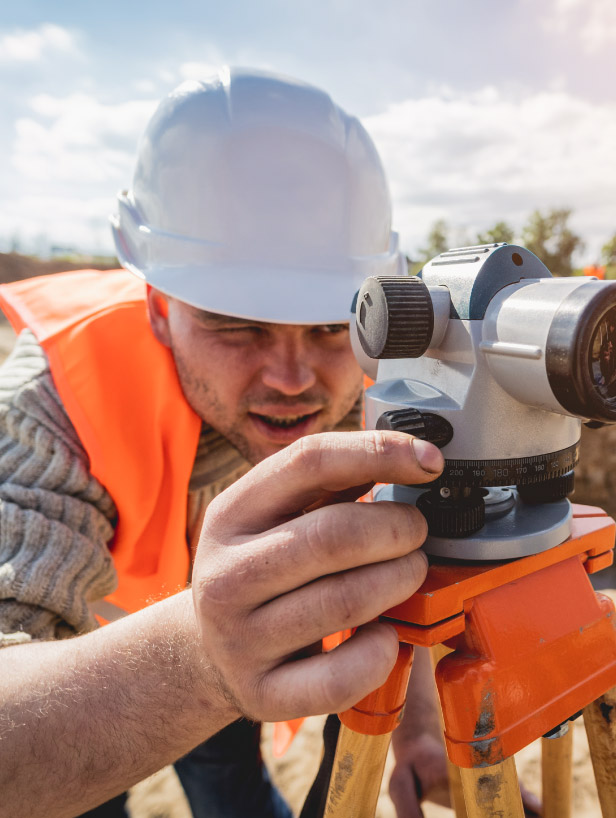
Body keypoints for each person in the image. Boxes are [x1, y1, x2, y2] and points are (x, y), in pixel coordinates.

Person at [0, 67, 456, 818]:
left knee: (237, 796)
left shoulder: (383, 381)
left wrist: (418, 735)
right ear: (156, 300)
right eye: (235, 324)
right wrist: (204, 659)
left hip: (224, 663)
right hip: (86, 674)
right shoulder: (56, 398)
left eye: (330, 327)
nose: (291, 378)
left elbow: (402, 582)